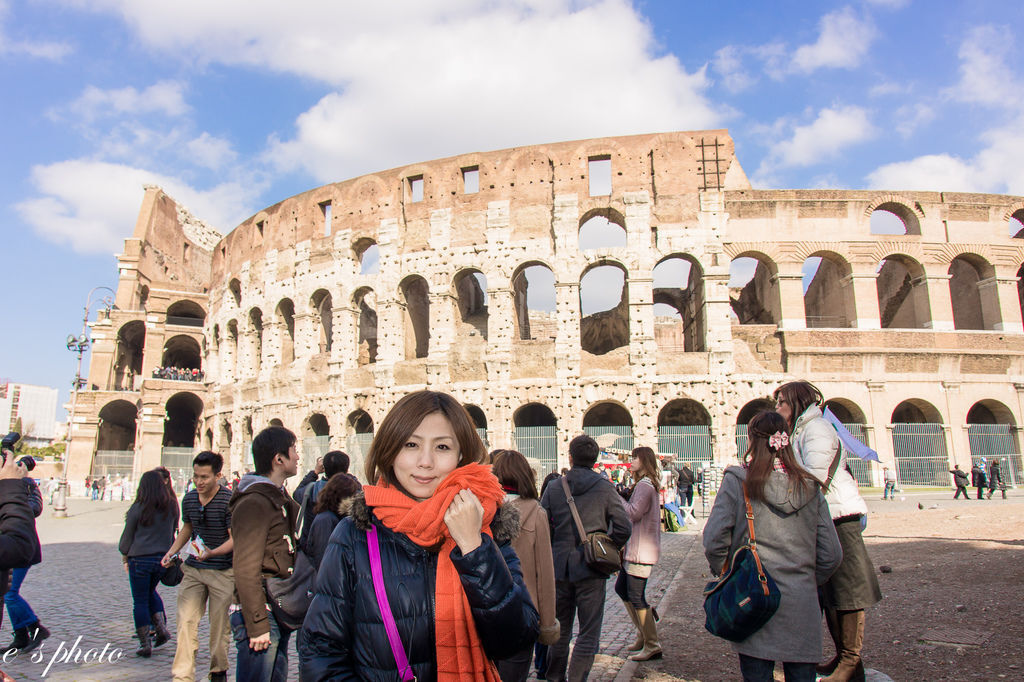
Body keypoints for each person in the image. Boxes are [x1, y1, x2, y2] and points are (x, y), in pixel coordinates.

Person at [298, 390, 538, 680]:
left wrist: (474, 549)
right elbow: (321, 651)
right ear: (390, 449)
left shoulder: (485, 525)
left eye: (442, 447)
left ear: (462, 455)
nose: (425, 462)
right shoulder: (355, 535)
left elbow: (515, 640)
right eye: (411, 444)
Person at [704, 410, 842, 682]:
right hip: (802, 602)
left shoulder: (737, 481)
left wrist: (728, 573)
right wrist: (806, 580)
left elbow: (713, 541)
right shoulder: (812, 488)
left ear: (752, 442)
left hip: (753, 595)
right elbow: (832, 554)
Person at [775, 380, 882, 682]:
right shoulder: (801, 430)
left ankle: (850, 660)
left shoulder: (817, 429)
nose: (778, 408)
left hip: (839, 515)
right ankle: (845, 661)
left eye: (782, 402)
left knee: (848, 591)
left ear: (797, 402)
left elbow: (814, 477)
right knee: (831, 592)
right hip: (825, 516)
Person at [541, 434, 631, 682]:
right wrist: (606, 546)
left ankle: (554, 677)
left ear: (570, 457)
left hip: (559, 567)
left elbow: (542, 524)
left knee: (561, 629)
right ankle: (578, 677)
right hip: (592, 567)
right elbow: (624, 526)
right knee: (589, 632)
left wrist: (553, 548)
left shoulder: (554, 487)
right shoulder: (604, 487)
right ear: (596, 459)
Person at [229, 426, 301, 682]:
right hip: (260, 613)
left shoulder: (277, 498)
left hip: (275, 610)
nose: (298, 457)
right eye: (294, 450)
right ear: (278, 459)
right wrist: (257, 622)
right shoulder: (254, 503)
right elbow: (245, 568)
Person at [162, 451, 234, 682]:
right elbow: (187, 528)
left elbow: (235, 539)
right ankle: (182, 676)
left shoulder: (228, 500)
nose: (199, 481)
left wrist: (212, 552)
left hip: (222, 570)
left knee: (219, 626)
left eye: (205, 477)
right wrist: (172, 551)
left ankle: (218, 670)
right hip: (193, 569)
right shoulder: (190, 498)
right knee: (185, 621)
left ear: (218, 475)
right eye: (196, 476)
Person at [491, 449, 560, 682]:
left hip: (484, 609)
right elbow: (545, 572)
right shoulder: (535, 512)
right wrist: (547, 623)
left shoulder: (481, 509)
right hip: (522, 612)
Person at [119, 469, 178, 657]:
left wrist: (125, 554)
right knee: (150, 592)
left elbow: (125, 541)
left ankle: (145, 643)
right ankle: (161, 630)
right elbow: (173, 533)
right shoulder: (171, 508)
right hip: (161, 560)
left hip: (140, 560)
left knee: (140, 601)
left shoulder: (138, 508)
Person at [617, 446, 663, 662]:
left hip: (641, 550)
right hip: (636, 548)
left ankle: (652, 643)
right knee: (622, 589)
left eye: (635, 457)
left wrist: (617, 499)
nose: (631, 460)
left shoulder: (645, 486)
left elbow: (633, 513)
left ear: (644, 461)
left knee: (636, 595)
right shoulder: (643, 484)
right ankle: (642, 635)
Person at [0, 452, 38, 682]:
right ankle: (30, 629)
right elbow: (20, 545)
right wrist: (12, 488)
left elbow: (36, 508)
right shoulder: (17, 486)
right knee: (12, 595)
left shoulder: (32, 486)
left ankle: (26, 632)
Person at [2, 472, 48, 657]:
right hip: (5, 545)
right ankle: (21, 636)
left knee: (10, 593)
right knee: (7, 593)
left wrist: (10, 497)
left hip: (19, 545)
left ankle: (36, 628)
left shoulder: (25, 483)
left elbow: (35, 508)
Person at [303, 472, 361, 571]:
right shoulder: (326, 520)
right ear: (341, 496)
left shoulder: (334, 517)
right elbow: (322, 560)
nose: (354, 500)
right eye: (352, 496)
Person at [293, 450, 351, 548]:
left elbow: (296, 494)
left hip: (311, 551)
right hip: (340, 550)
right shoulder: (351, 490)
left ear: (324, 468)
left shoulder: (311, 490)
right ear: (346, 469)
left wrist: (315, 472)